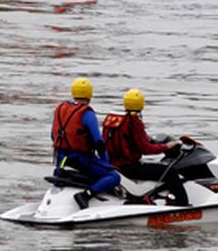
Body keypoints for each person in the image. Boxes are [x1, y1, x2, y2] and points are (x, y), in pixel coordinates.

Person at [103, 89, 189, 207]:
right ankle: (182, 204)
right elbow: (146, 149)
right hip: (130, 167)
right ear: (141, 104)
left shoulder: (114, 120)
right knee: (171, 172)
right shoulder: (134, 121)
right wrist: (166, 146)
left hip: (114, 165)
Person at [51, 77, 122, 210]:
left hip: (62, 160)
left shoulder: (60, 109)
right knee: (114, 176)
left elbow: (52, 136)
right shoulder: (86, 113)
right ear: (89, 94)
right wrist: (107, 164)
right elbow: (99, 143)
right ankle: (86, 195)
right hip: (80, 160)